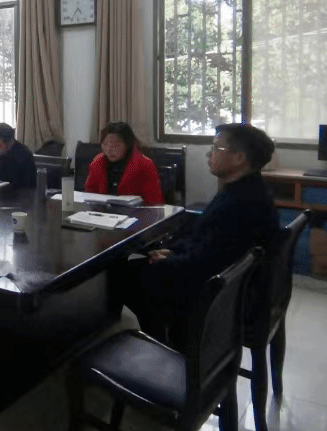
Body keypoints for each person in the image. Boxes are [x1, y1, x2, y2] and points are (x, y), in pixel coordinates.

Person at [116, 123, 279, 341]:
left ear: (239, 158)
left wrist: (170, 260)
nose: (209, 154)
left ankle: (160, 346)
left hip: (218, 295)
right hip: (224, 281)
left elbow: (206, 264)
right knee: (135, 267)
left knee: (124, 275)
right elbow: (206, 240)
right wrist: (173, 252)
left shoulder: (240, 203)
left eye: (216, 148)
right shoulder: (245, 189)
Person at [84, 121, 163, 205]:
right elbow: (89, 194)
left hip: (135, 211)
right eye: (105, 144)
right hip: (101, 211)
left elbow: (154, 202)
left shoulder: (145, 164)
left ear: (127, 144)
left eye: (115, 145)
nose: (109, 150)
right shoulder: (97, 162)